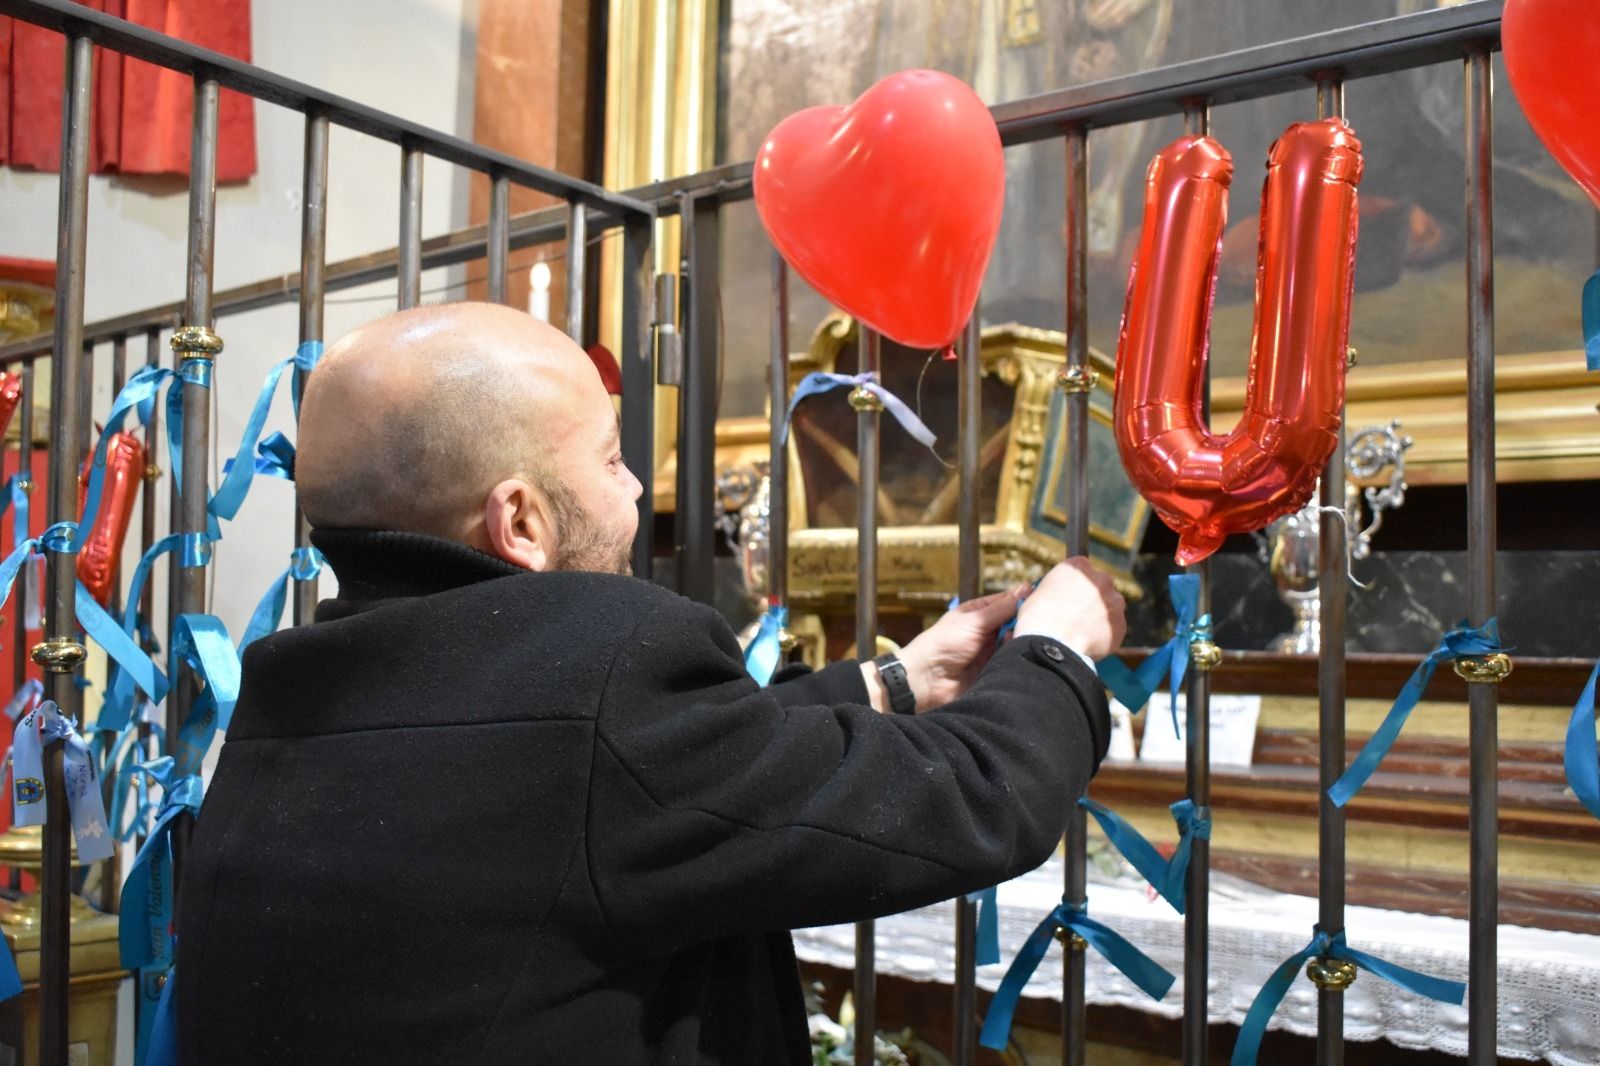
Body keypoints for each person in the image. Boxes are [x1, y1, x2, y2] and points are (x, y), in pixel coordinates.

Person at [175, 302, 1125, 1065]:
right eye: (614, 459)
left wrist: (893, 682)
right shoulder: (600, 663)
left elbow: (631, 772)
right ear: (521, 522)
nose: (636, 494)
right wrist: (1060, 646)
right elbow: (973, 803)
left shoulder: (297, 691)